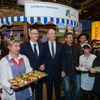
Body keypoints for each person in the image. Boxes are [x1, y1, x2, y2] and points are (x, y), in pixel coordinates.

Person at [20, 27, 44, 100]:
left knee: (39, 94)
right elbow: (22, 61)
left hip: (40, 74)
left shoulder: (41, 45)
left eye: (37, 33)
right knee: (30, 95)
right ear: (30, 34)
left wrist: (43, 64)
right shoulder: (24, 46)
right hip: (29, 74)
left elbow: (44, 57)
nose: (36, 35)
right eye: (34, 33)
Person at [43, 28, 65, 100]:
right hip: (47, 72)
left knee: (57, 90)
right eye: (52, 33)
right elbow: (42, 58)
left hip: (58, 72)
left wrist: (63, 70)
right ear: (48, 35)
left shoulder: (61, 45)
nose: (54, 35)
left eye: (54, 33)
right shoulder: (43, 46)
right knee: (49, 91)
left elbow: (63, 59)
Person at [61, 32, 80, 100]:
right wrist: (62, 70)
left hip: (76, 71)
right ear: (66, 39)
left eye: (72, 37)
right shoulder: (62, 47)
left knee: (77, 88)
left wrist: (80, 66)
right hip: (66, 72)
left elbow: (78, 58)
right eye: (69, 37)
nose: (71, 39)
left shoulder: (76, 47)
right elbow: (61, 60)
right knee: (67, 89)